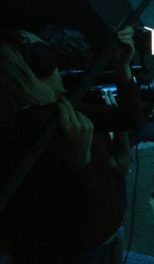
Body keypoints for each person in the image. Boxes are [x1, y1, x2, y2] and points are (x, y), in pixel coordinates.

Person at [0, 25, 142, 263]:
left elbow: (125, 118)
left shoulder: (58, 109)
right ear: (31, 68)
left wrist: (122, 67)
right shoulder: (28, 128)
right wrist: (80, 160)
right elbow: (65, 210)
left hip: (98, 241)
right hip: (75, 251)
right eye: (42, 54)